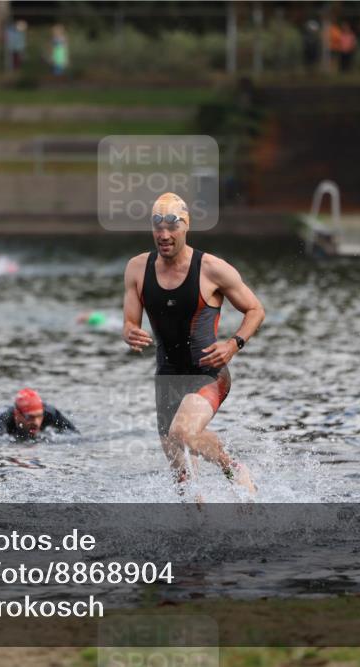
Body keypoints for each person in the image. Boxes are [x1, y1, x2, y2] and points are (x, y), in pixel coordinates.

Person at [121, 193, 264, 494]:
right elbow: (130, 322)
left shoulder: (212, 268)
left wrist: (234, 343)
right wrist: (130, 332)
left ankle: (234, 468)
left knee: (183, 432)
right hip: (167, 376)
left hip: (208, 372)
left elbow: (255, 310)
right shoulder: (137, 268)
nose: (163, 235)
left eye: (171, 227)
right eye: (157, 227)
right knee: (183, 481)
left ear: (186, 227)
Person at [0, 388, 77, 440]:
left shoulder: (50, 413)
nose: (36, 422)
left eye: (39, 416)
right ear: (17, 414)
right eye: (30, 417)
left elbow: (74, 434)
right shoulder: (0, 420)